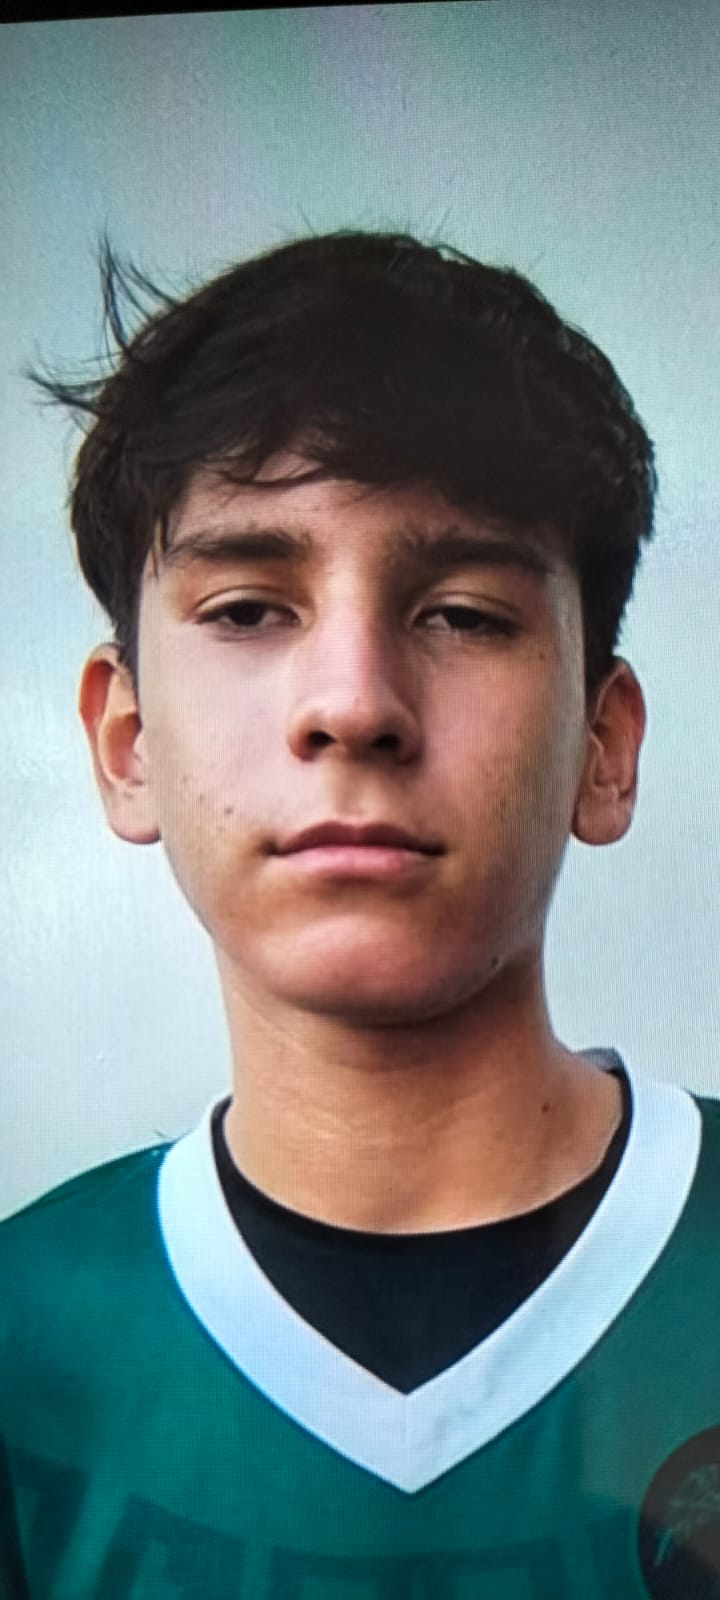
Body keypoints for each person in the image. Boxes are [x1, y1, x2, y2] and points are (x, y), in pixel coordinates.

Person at [1, 230, 719, 1600]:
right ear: (127, 741)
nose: (353, 703)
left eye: (463, 614)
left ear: (604, 745)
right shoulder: (23, 1340)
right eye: (248, 607)